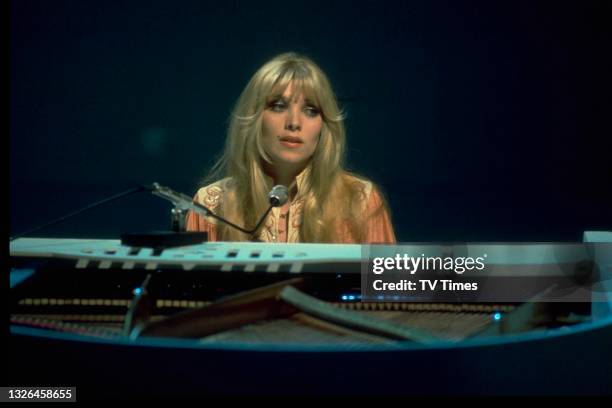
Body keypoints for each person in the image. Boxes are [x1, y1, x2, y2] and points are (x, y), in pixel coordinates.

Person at [186, 52, 396, 244]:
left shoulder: (360, 199)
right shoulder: (211, 205)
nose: (294, 123)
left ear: (324, 125)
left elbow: (390, 285)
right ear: (254, 117)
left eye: (311, 110)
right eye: (278, 106)